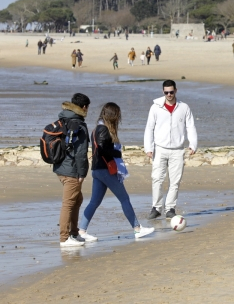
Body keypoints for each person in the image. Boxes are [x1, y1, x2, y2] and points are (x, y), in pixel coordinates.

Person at [78, 103, 154, 241]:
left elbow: (99, 148)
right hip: (106, 170)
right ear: (112, 115)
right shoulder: (103, 130)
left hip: (97, 170)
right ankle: (137, 229)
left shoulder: (96, 129)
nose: (119, 118)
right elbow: (101, 149)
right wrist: (116, 153)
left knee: (94, 202)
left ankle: (82, 231)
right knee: (124, 199)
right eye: (117, 115)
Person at [144, 80, 198, 220]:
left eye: (171, 92)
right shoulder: (155, 107)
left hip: (177, 150)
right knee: (157, 178)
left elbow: (190, 126)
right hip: (159, 149)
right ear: (163, 92)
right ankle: (156, 207)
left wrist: (193, 144)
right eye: (166, 92)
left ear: (176, 91)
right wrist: (148, 148)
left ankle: (170, 208)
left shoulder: (184, 107)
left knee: (175, 180)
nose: (169, 94)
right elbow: (149, 128)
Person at [54, 93, 90, 247]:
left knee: (77, 199)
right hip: (71, 170)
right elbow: (81, 153)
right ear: (83, 107)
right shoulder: (79, 124)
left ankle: (74, 233)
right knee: (69, 203)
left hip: (60, 167)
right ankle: (64, 238)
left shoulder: (63, 119)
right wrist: (82, 174)